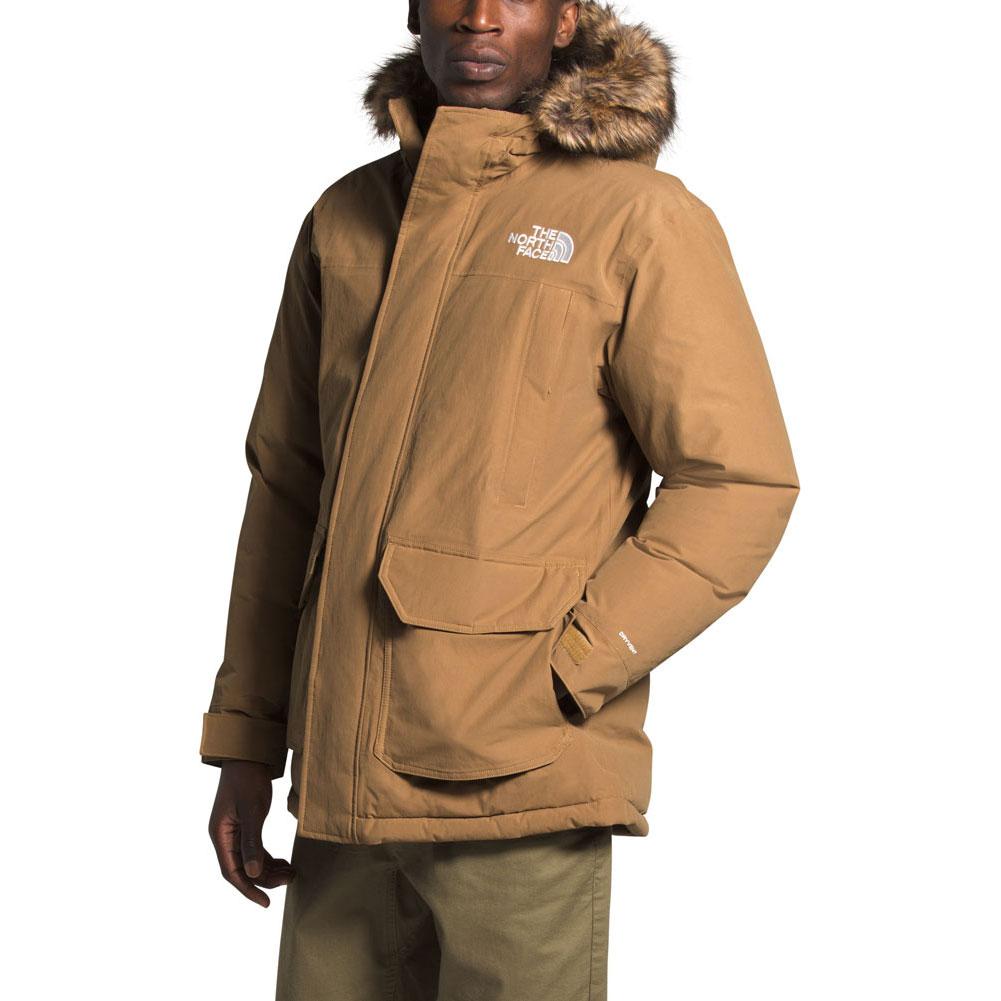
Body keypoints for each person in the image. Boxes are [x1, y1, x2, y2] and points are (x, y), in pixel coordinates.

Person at [200, 1, 799, 997]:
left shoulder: (640, 219)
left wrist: (567, 668)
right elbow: (286, 490)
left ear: (564, 20)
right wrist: (248, 740)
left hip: (518, 777)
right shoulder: (345, 217)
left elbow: (736, 481)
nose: (478, 16)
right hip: (340, 784)